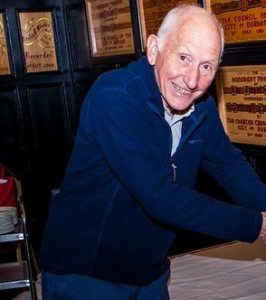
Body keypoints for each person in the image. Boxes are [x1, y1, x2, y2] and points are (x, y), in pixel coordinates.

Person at [40, 4, 266, 300]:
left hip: (149, 272)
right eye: (184, 57)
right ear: (153, 48)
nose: (192, 80)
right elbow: (160, 197)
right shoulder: (115, 97)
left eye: (207, 66)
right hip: (84, 274)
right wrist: (257, 226)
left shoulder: (202, 107)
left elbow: (230, 167)